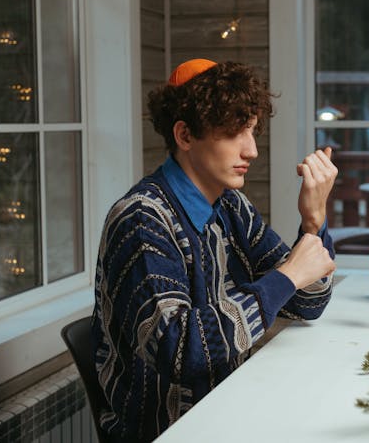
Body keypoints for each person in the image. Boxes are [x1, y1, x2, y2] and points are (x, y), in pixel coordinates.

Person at [91, 59, 337, 442]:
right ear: (185, 135)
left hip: (233, 408)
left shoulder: (230, 206)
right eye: (235, 132)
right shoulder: (141, 219)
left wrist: (313, 219)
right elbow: (180, 350)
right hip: (168, 432)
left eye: (253, 131)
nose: (252, 150)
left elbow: (306, 303)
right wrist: (287, 275)